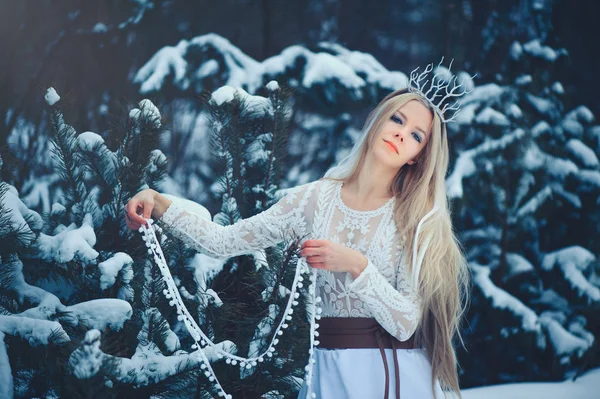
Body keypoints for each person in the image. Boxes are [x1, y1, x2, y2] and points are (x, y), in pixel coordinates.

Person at [125, 70, 471, 399]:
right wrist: (157, 202)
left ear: (417, 157)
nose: (401, 133)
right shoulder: (314, 200)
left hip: (392, 376)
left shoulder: (416, 219)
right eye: (398, 119)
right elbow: (223, 241)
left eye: (415, 135)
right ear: (378, 119)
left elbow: (405, 323)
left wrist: (356, 265)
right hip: (330, 371)